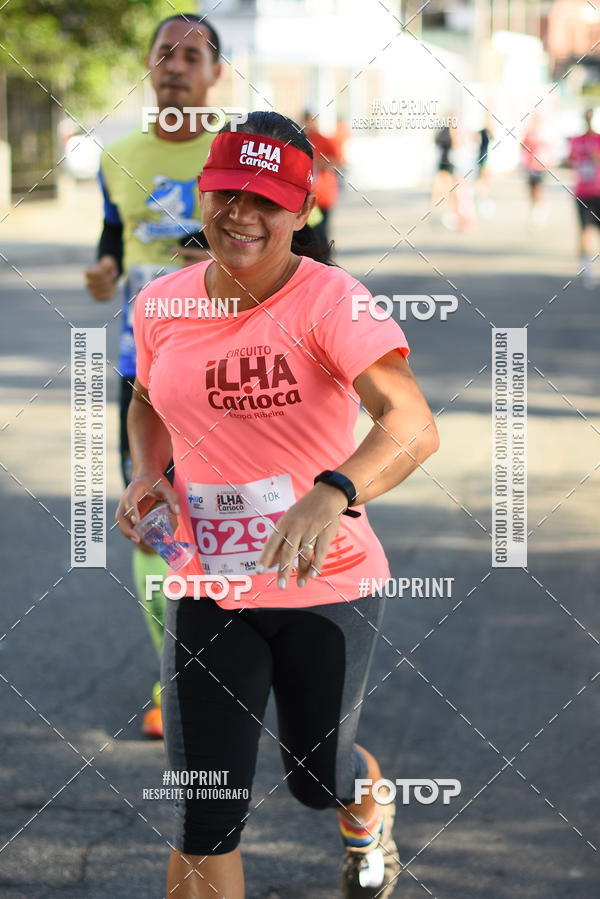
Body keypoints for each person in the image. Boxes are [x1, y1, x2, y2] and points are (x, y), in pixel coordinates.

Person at [115, 110, 439, 898]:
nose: (241, 215)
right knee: (206, 810)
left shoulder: (333, 302)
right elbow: (148, 400)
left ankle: (366, 809)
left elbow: (413, 424)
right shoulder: (162, 302)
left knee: (315, 776)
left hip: (325, 584)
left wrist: (332, 492)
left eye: (265, 200)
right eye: (227, 193)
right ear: (204, 191)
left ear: (302, 211)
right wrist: (148, 473)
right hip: (206, 583)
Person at [84, 13, 223, 737]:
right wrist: (108, 269)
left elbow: (313, 244)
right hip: (144, 363)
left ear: (214, 74)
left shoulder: (238, 148)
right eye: (163, 52)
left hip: (234, 364)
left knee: (235, 508)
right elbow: (116, 229)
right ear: (148, 65)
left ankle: (252, 658)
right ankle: (177, 676)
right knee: (152, 513)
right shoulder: (118, 154)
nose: (174, 64)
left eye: (191, 54)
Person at [567, 107, 600, 287]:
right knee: (585, 230)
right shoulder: (576, 140)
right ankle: (586, 266)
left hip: (599, 190)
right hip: (583, 192)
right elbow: (571, 160)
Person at [301, 109, 341, 243]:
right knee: (306, 233)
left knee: (322, 231)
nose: (308, 124)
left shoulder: (324, 139)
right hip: (306, 195)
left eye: (311, 120)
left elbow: (337, 162)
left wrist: (318, 162)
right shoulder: (301, 140)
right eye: (306, 121)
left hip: (323, 195)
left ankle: (324, 257)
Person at [522, 112, 552, 228]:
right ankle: (534, 207)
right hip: (530, 164)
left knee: (539, 188)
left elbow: (549, 148)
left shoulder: (545, 132)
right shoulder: (529, 132)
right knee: (531, 187)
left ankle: (540, 208)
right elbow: (523, 145)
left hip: (541, 164)